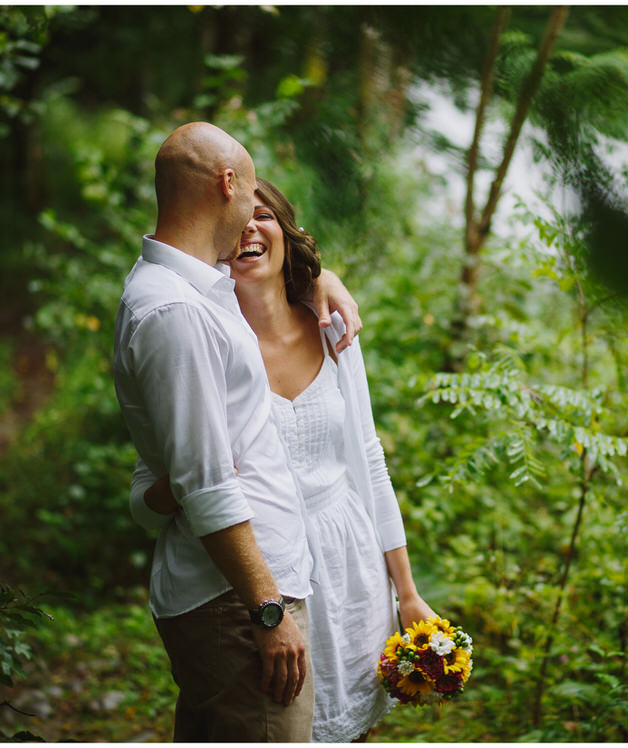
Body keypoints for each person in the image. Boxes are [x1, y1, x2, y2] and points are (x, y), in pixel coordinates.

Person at [130, 177, 437, 742]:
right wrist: (196, 479)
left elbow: (369, 462)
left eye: (265, 216)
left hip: (348, 568)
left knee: (350, 724)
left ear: (287, 234)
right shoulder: (199, 336)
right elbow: (148, 502)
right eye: (240, 216)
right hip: (262, 572)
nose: (250, 227)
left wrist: (408, 593)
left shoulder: (333, 329)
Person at [112, 122, 362, 742]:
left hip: (238, 600)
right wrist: (268, 609)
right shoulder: (177, 312)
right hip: (237, 605)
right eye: (251, 192)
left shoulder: (199, 290)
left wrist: (319, 277)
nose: (254, 210)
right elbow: (205, 483)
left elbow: (269, 283)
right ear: (228, 184)